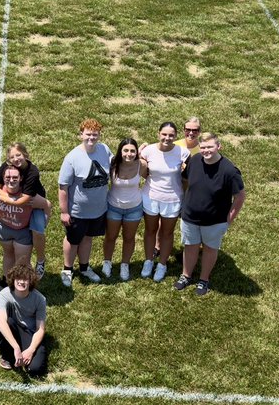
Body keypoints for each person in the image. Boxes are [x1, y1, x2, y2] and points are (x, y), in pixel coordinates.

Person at [175, 132, 246, 296]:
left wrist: (229, 219)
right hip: (190, 216)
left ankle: (204, 279)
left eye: (210, 147)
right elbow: (185, 179)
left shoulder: (230, 170)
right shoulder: (195, 160)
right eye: (203, 147)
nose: (206, 150)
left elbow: (240, 196)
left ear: (219, 146)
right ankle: (186, 275)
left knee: (210, 249)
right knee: (190, 246)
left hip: (215, 220)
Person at [0, 143, 50, 279]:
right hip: (8, 197)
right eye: (12, 156)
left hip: (33, 200)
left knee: (38, 231)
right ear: (8, 159)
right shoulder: (7, 166)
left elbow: (22, 201)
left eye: (18, 155)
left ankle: (40, 260)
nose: (16, 159)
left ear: (25, 155)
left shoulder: (32, 172)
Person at [57, 119, 113, 287]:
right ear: (80, 134)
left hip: (99, 210)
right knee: (73, 240)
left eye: (95, 134)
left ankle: (84, 267)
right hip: (77, 211)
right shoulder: (72, 157)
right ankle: (67, 269)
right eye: (88, 134)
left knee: (88, 238)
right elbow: (63, 187)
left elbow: (116, 163)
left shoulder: (104, 149)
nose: (91, 137)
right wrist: (64, 212)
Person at [139, 122, 190, 283]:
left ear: (175, 136)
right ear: (158, 134)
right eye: (164, 134)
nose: (167, 138)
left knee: (167, 233)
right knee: (150, 231)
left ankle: (162, 265)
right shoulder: (148, 151)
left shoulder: (183, 152)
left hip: (173, 199)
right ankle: (148, 261)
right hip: (150, 197)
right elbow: (142, 171)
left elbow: (188, 177)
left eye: (171, 135)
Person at [101, 137, 147, 281]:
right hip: (113, 207)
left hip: (134, 208)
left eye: (132, 151)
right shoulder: (112, 164)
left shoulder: (142, 165)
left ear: (137, 152)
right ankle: (107, 262)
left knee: (129, 238)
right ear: (120, 151)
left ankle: (125, 264)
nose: (129, 154)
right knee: (110, 237)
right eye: (125, 150)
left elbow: (151, 179)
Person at [0, 263, 47, 376]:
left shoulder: (40, 299)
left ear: (31, 281)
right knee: (6, 322)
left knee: (35, 370)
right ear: (13, 279)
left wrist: (31, 350)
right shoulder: (4, 294)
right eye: (18, 278)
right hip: (12, 324)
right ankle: (6, 355)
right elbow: (0, 322)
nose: (21, 282)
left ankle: (23, 348)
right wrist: (16, 347)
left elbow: (40, 329)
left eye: (25, 279)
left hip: (29, 331)